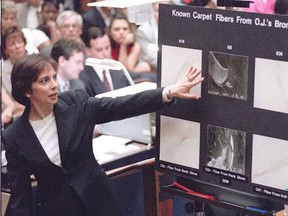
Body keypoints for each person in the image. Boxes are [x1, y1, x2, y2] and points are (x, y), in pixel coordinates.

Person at [2, 53, 203, 216]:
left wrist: (167, 92)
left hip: (99, 202)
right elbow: (21, 198)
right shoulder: (14, 136)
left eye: (54, 77)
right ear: (27, 90)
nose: (54, 85)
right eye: (44, 81)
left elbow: (120, 106)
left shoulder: (75, 103)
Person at [81, 27, 131, 97]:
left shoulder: (118, 69)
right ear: (88, 51)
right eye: (99, 50)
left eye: (107, 48)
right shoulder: (82, 76)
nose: (105, 53)